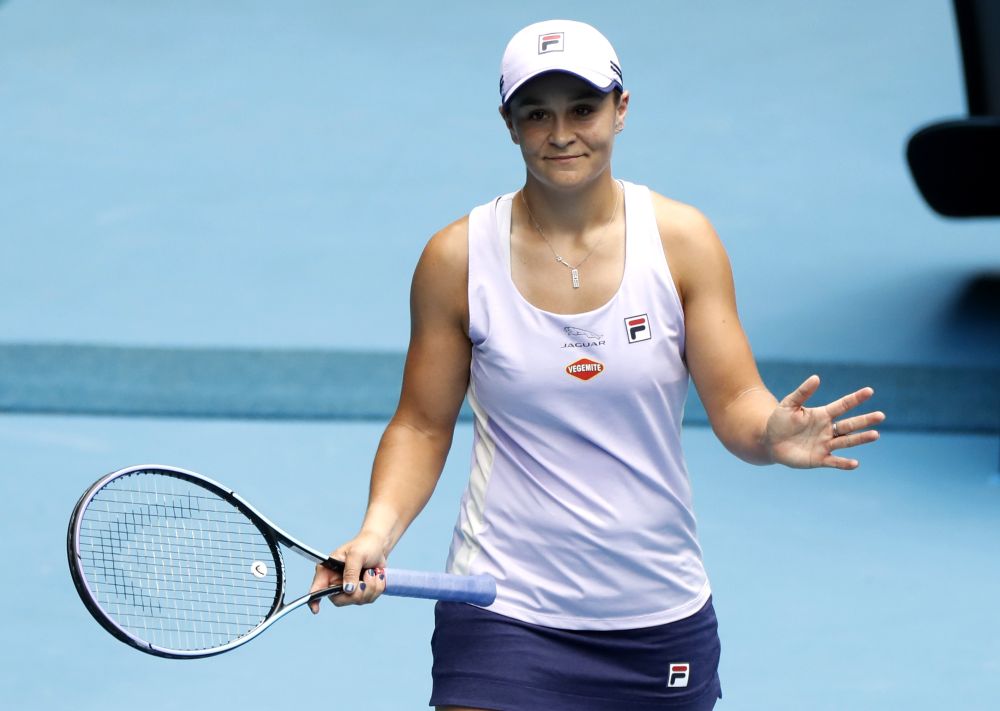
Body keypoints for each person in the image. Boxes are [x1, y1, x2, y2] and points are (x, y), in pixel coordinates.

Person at [309, 19, 885, 710]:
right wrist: (376, 531)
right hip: (504, 606)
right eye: (537, 114)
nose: (561, 134)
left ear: (621, 109)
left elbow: (737, 402)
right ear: (508, 123)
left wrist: (770, 433)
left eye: (582, 109)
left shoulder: (683, 242)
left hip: (656, 613)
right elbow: (421, 425)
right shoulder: (455, 259)